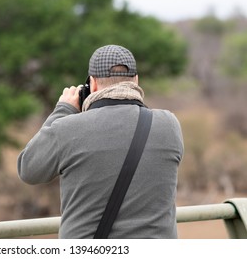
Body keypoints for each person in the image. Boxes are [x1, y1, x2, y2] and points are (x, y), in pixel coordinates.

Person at [17, 45, 184, 238]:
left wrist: (63, 109)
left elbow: (28, 169)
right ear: (136, 80)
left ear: (93, 84)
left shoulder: (67, 128)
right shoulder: (169, 125)